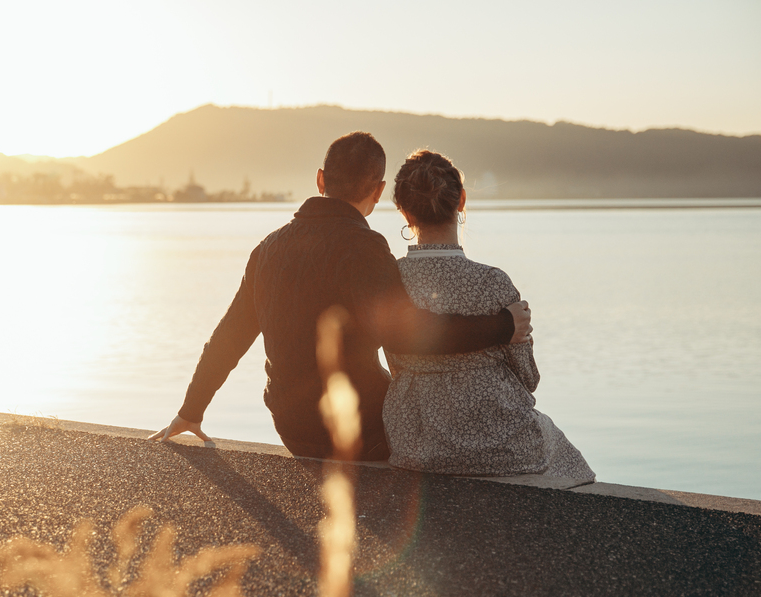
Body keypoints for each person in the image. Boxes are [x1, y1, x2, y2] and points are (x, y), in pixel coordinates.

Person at [150, 132, 533, 460]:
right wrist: (502, 325)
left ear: (320, 180)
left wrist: (191, 410)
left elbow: (230, 336)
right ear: (379, 191)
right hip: (356, 429)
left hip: (291, 428)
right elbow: (407, 334)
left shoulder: (267, 248)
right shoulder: (363, 247)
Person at [382, 149, 594, 480]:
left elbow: (395, 359)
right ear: (461, 201)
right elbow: (529, 377)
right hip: (501, 441)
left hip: (416, 441)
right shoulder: (492, 282)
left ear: (404, 211)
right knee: (572, 465)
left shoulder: (391, 279)